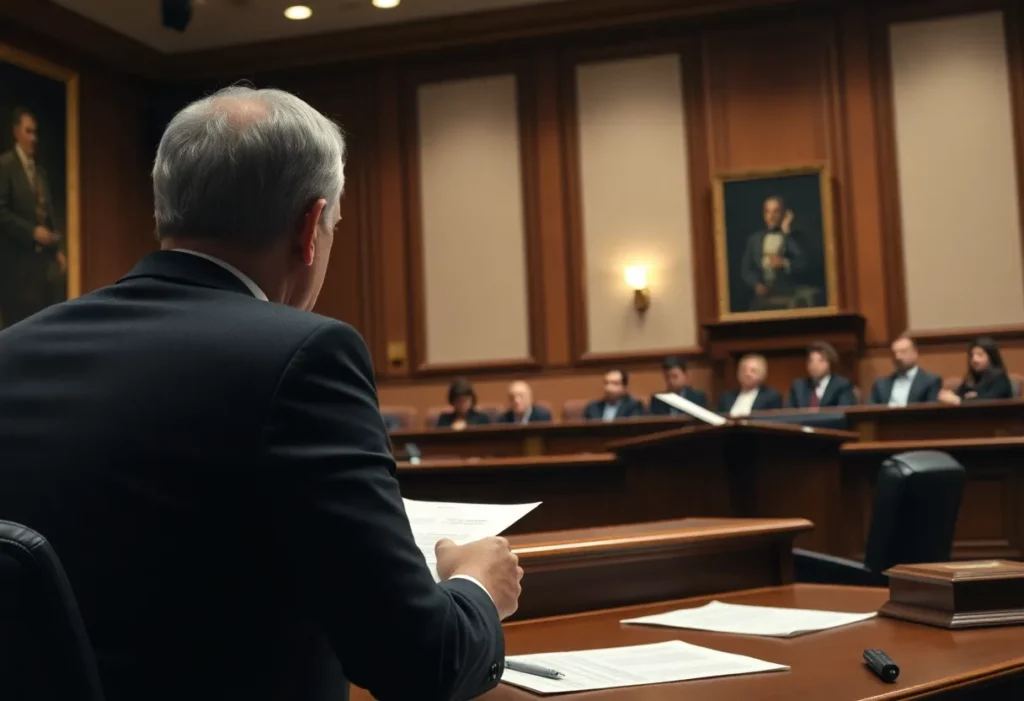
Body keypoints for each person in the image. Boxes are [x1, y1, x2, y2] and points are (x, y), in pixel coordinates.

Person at [0, 87, 521, 701]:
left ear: (165, 211)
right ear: (310, 228)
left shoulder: (11, 351)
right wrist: (477, 585)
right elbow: (421, 663)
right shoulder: (306, 357)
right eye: (333, 227)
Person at [0, 107, 65, 328]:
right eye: (28, 131)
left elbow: (48, 216)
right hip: (15, 267)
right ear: (16, 132)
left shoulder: (40, 174)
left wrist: (57, 251)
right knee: (17, 328)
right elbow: (1, 213)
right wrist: (32, 232)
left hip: (42, 269)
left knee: (43, 325)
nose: (33, 138)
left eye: (35, 132)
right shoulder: (5, 166)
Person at [739, 195, 807, 311]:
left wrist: (785, 263)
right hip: (762, 297)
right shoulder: (754, 239)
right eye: (768, 212)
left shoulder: (793, 237)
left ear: (784, 214)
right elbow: (745, 269)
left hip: (788, 295)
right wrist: (756, 284)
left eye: (776, 212)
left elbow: (804, 262)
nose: (771, 216)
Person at [868, 334, 942, 406]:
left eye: (903, 352)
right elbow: (870, 411)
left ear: (915, 353)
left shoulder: (931, 382)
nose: (897, 357)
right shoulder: (880, 385)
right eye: (894, 353)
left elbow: (931, 413)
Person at [939, 336, 1014, 405]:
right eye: (972, 355)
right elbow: (960, 395)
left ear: (991, 357)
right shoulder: (971, 379)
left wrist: (959, 400)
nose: (974, 360)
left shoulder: (999, 378)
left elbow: (989, 402)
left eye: (980, 355)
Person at [788, 341, 857, 408]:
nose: (815, 365)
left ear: (830, 363)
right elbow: (789, 414)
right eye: (811, 361)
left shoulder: (842, 385)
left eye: (820, 361)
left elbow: (844, 413)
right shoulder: (799, 386)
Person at [717, 354, 784, 416]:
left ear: (762, 374)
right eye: (743, 370)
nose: (747, 374)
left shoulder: (772, 396)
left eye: (753, 371)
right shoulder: (727, 396)